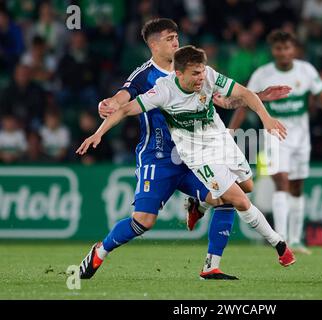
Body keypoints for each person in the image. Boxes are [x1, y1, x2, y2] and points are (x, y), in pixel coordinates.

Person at [78, 19, 291, 281]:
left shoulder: (195, 69)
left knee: (229, 196)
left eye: (176, 36)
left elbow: (223, 100)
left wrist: (258, 96)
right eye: (169, 38)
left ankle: (211, 265)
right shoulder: (145, 76)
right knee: (143, 221)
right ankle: (101, 250)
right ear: (154, 45)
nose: (176, 41)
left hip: (196, 153)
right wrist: (108, 104)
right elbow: (124, 98)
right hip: (159, 157)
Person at [223, 30, 322, 254]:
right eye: (279, 49)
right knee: (282, 184)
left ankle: (296, 239)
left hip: (301, 138)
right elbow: (245, 102)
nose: (284, 52)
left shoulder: (306, 71)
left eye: (287, 48)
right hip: (275, 137)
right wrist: (231, 131)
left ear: (293, 49)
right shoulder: (263, 74)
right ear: (273, 51)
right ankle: (282, 239)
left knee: (296, 187)